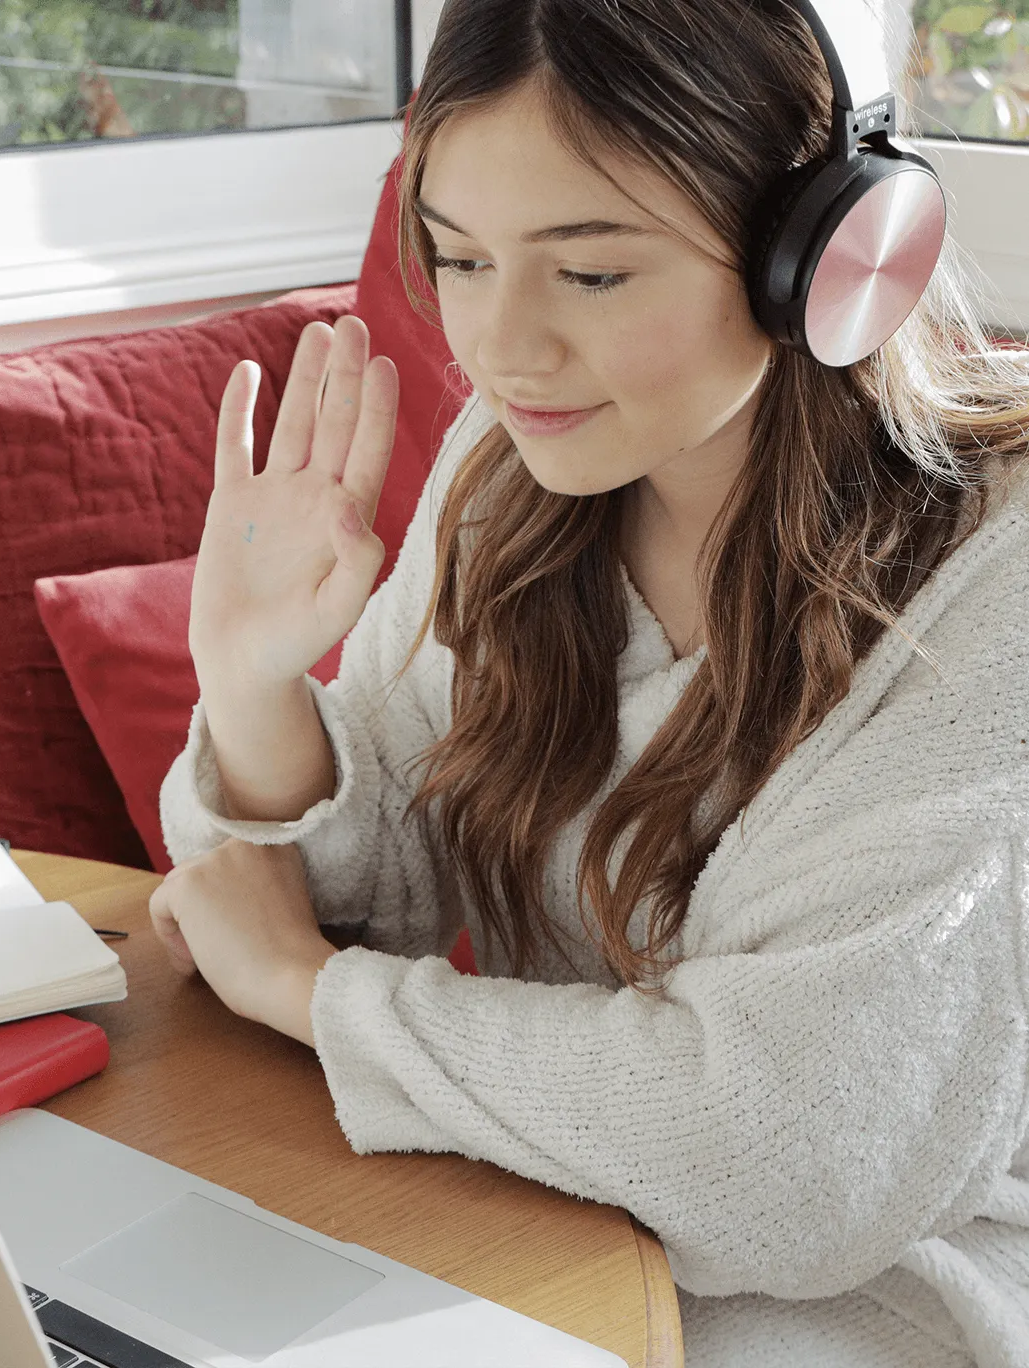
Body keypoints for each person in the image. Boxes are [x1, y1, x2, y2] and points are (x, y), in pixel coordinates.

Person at [149, 1, 1029, 1363]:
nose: (503, 349)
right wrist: (254, 681)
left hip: (899, 1287)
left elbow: (791, 1161)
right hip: (560, 1212)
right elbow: (348, 893)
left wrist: (308, 995)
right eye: (460, 256)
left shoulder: (998, 583)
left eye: (594, 276)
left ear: (828, 259)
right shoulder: (515, 476)